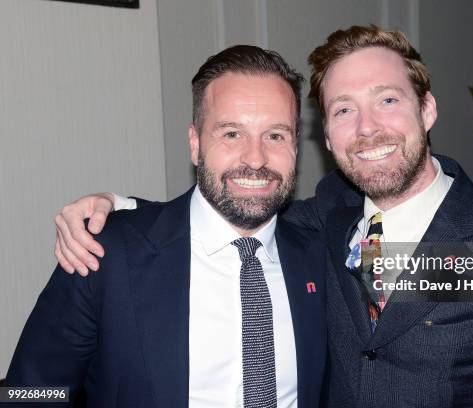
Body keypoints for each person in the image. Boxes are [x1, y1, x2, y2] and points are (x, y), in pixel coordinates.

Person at [51, 26, 473, 406]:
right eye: (344, 109)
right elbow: (231, 203)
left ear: (428, 109)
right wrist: (119, 209)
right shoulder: (327, 221)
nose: (367, 128)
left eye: (387, 100)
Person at [5, 45, 327, 408]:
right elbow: (26, 393)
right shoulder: (104, 254)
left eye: (275, 136)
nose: (255, 158)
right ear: (194, 144)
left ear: (296, 146)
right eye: (232, 134)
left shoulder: (323, 256)